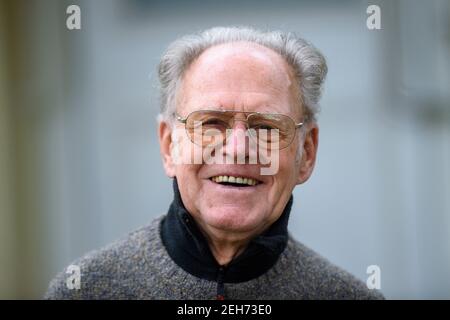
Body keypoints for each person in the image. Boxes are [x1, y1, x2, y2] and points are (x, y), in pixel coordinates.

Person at [45, 26, 384, 300]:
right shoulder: (85, 290)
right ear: (169, 146)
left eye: (266, 127)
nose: (237, 149)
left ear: (306, 154)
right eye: (210, 123)